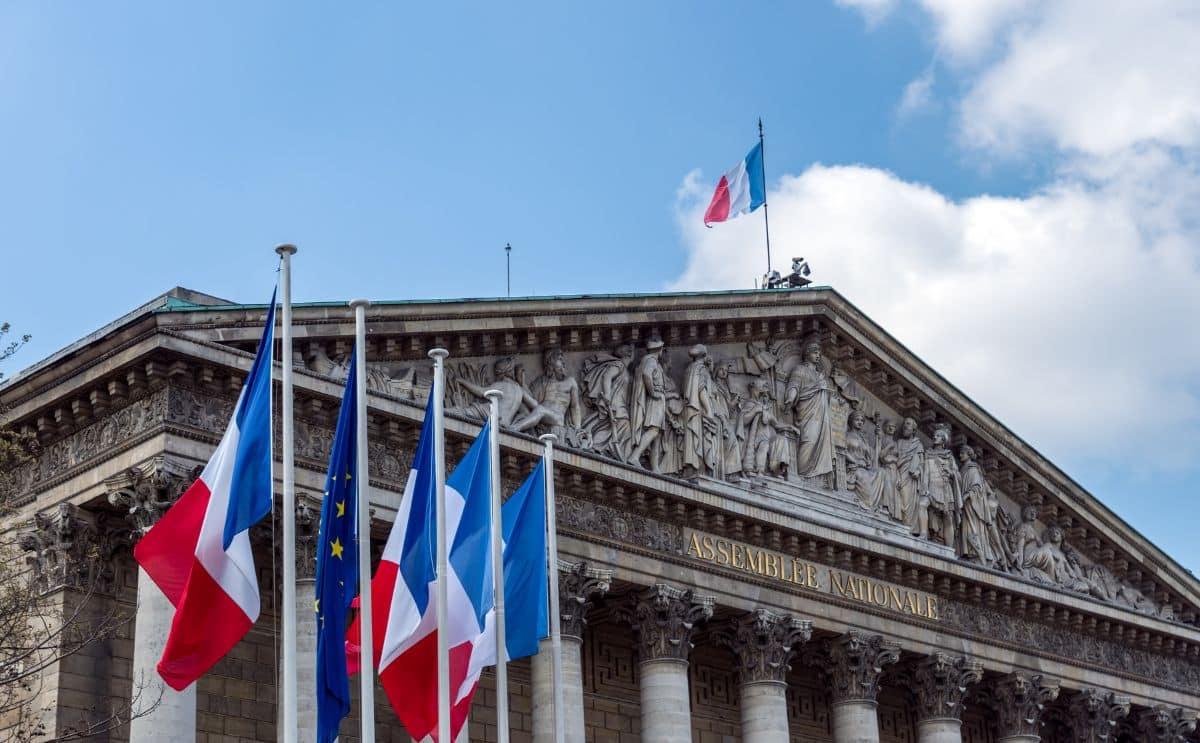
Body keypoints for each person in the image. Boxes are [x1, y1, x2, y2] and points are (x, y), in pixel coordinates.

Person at [784, 339, 835, 479]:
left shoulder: (821, 375)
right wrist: (790, 397)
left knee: (821, 443)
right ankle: (803, 473)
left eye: (819, 353)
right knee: (809, 439)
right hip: (807, 412)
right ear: (807, 354)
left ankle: (816, 475)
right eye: (815, 352)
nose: (818, 355)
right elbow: (794, 385)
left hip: (822, 416)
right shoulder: (800, 370)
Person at [580, 344, 635, 461]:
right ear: (629, 354)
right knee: (622, 425)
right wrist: (607, 395)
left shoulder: (626, 370)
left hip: (621, 405)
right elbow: (607, 376)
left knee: (615, 427)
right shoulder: (619, 365)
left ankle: (609, 450)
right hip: (615, 404)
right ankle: (597, 446)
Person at [512, 348, 583, 435]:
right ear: (550, 362)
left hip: (557, 417)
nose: (564, 363)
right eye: (560, 359)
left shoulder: (570, 382)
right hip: (539, 410)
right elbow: (532, 398)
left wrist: (578, 429)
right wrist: (522, 383)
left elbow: (575, 406)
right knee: (519, 391)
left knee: (540, 410)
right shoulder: (542, 381)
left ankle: (514, 428)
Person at [740, 378, 796, 477]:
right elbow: (744, 420)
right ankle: (759, 470)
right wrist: (755, 410)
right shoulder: (750, 404)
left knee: (781, 439)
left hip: (766, 438)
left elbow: (777, 424)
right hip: (754, 440)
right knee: (764, 445)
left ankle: (777, 469)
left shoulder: (767, 412)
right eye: (764, 396)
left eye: (767, 397)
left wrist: (791, 427)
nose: (766, 399)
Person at [629, 338, 668, 472]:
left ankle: (655, 467)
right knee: (653, 430)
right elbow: (646, 374)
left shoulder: (654, 362)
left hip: (659, 399)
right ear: (659, 350)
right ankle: (634, 456)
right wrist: (652, 392)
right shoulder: (651, 360)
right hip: (655, 399)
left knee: (657, 434)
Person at [919, 424, 961, 547]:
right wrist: (924, 487)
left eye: (938, 436)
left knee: (948, 517)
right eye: (934, 435)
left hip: (944, 489)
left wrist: (951, 472)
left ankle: (949, 548)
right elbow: (926, 472)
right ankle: (923, 534)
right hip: (931, 487)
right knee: (922, 504)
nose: (934, 437)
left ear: (943, 440)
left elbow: (957, 475)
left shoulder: (949, 456)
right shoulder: (928, 453)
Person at [844, 411, 886, 512]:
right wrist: (855, 462)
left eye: (862, 420)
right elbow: (843, 451)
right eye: (857, 419)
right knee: (863, 476)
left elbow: (872, 456)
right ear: (851, 421)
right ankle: (867, 504)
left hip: (864, 469)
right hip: (853, 468)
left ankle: (873, 505)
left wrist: (878, 439)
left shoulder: (864, 439)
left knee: (881, 472)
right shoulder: (847, 435)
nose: (860, 422)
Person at [894, 417, 924, 533]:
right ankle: (901, 527)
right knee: (900, 500)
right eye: (904, 424)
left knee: (907, 503)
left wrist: (918, 471)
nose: (905, 426)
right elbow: (895, 459)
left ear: (914, 429)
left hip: (911, 478)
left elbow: (922, 463)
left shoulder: (918, 444)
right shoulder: (899, 442)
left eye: (908, 424)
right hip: (900, 473)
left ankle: (907, 528)